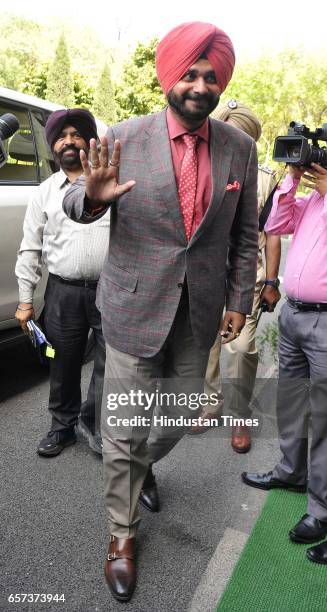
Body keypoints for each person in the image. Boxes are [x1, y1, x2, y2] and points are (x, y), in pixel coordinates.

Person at [64, 21, 259, 602]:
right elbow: (78, 196)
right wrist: (91, 200)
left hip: (198, 316)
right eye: (190, 73)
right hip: (131, 310)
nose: (200, 85)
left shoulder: (239, 148)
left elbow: (245, 235)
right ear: (169, 76)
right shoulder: (125, 136)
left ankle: (138, 467)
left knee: (175, 421)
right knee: (122, 427)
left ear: (220, 83)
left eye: (211, 76)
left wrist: (239, 300)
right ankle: (121, 534)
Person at [242, 156, 327, 545]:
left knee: (325, 418)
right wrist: (293, 178)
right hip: (294, 316)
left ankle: (322, 508)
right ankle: (290, 471)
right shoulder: (320, 198)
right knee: (290, 402)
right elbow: (275, 224)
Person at [15, 108, 109, 457]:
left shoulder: (110, 183)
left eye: (76, 134)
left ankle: (94, 421)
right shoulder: (44, 192)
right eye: (61, 136)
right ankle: (62, 427)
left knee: (111, 362)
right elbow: (30, 248)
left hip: (110, 290)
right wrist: (25, 301)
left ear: (89, 141)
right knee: (63, 360)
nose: (68, 141)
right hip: (63, 292)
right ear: (52, 145)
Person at [190, 100, 281, 452]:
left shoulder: (266, 180)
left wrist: (272, 281)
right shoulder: (202, 166)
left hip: (247, 279)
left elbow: (273, 233)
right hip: (205, 274)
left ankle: (240, 414)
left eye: (241, 134)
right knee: (207, 345)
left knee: (241, 347)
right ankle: (211, 403)